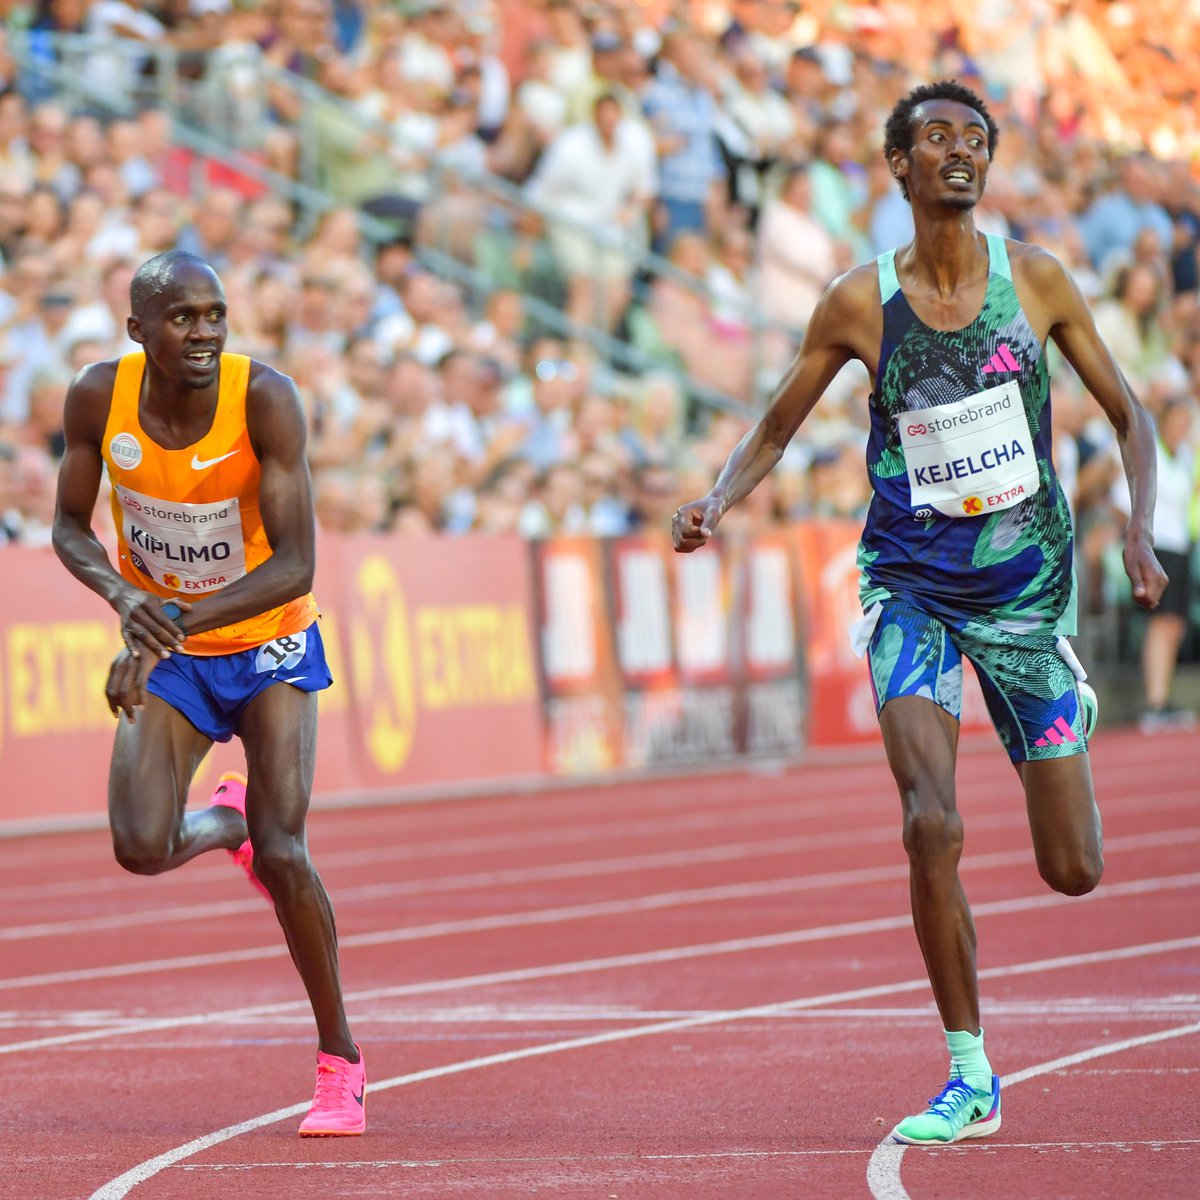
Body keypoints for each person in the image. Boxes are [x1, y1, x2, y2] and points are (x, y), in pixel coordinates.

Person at [672, 81, 1166, 1146]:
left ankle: (1055, 697)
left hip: (1026, 594)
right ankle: (970, 1069)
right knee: (928, 821)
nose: (960, 151)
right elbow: (775, 424)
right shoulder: (858, 302)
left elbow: (1132, 418)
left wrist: (1134, 527)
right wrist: (718, 498)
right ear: (899, 166)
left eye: (975, 140)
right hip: (909, 584)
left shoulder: (1036, 283)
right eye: (937, 137)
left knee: (1072, 871)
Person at [51, 250, 365, 1138]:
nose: (204, 332)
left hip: (266, 641)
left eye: (216, 315)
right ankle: (219, 823)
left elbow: (296, 563)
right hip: (177, 646)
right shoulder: (95, 399)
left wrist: (166, 625)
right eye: (183, 317)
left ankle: (340, 1061)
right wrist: (125, 599)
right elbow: (70, 528)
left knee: (286, 849)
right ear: (138, 330)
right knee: (141, 846)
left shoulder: (263, 397)